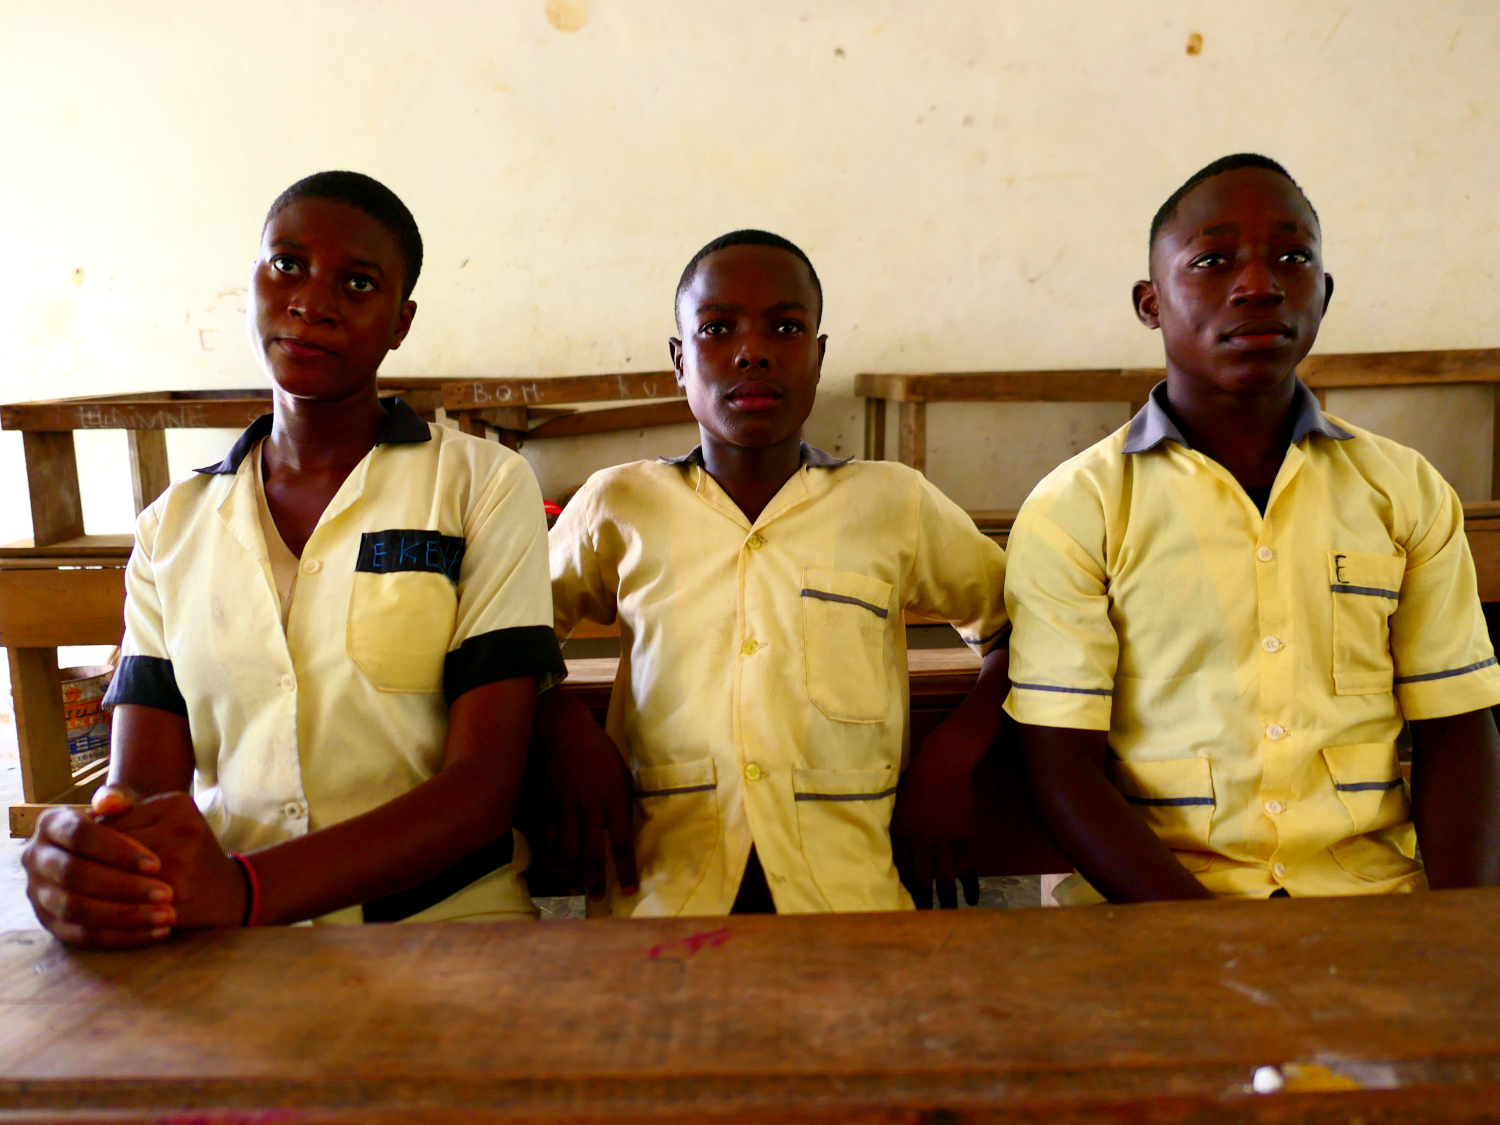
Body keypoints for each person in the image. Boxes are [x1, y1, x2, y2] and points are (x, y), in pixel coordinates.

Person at [22, 171, 564, 946]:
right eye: (286, 266)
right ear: (250, 281)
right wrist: (96, 859)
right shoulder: (172, 526)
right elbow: (140, 787)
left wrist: (248, 889)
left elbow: (480, 788)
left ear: (400, 321)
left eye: (357, 281)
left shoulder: (478, 483)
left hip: (445, 930)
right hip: (229, 941)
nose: (311, 301)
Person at [1006, 154, 1500, 903]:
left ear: (1323, 295)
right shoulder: (1079, 507)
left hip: (1370, 907)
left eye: (1294, 258)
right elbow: (1057, 761)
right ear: (1150, 303)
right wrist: (1205, 938)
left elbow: (1457, 728)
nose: (1259, 285)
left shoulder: (1404, 490)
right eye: (1212, 260)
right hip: (1156, 914)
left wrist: (1461, 929)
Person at [530, 230, 1010, 916]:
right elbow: (506, 632)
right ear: (678, 361)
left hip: (851, 902)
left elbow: (1025, 627)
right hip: (662, 905)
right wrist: (559, 720)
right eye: (716, 328)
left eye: (785, 328)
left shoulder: (892, 501)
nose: (751, 350)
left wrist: (952, 752)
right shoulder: (620, 503)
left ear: (816, 359)